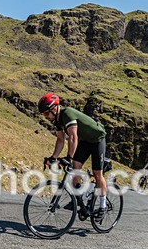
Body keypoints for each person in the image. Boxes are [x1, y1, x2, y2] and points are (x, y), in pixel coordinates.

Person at [38, 92, 109, 220]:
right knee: (74, 167)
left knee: (97, 173)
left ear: (54, 108)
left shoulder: (67, 113)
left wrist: (69, 156)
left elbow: (73, 136)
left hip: (98, 139)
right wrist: (53, 157)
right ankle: (79, 199)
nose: (45, 116)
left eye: (46, 113)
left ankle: (103, 206)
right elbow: (60, 140)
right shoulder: (58, 121)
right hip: (86, 141)